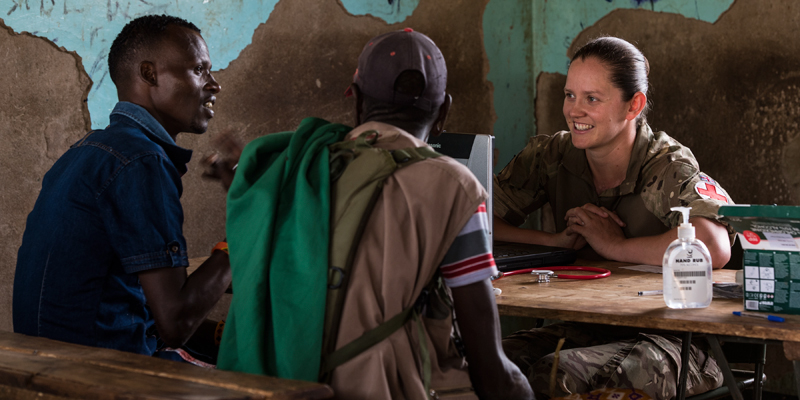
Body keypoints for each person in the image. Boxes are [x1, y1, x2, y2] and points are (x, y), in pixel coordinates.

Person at [214, 29, 533, 399]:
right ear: (444, 109)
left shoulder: (303, 168)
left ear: (358, 101)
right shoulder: (455, 186)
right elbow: (488, 362)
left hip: (285, 382)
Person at [494, 37, 734, 399]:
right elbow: (470, 218)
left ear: (633, 105)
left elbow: (713, 246)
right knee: (489, 366)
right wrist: (552, 242)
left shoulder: (665, 164)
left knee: (557, 375)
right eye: (569, 95)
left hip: (676, 342)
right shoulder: (553, 156)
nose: (575, 110)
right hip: (586, 328)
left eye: (592, 99)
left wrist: (616, 246)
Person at [13, 15, 231, 365]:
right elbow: (175, 323)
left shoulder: (90, 149)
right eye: (200, 70)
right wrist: (247, 225)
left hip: (51, 360)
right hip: (96, 372)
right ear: (149, 74)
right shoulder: (141, 161)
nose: (215, 84)